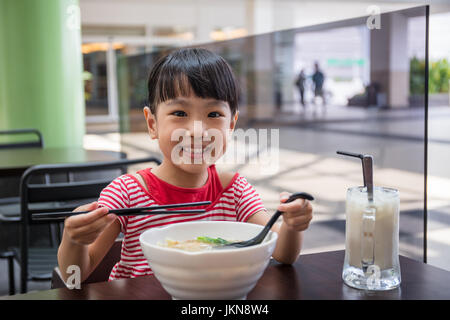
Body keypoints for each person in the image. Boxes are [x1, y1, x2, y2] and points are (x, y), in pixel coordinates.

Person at [57, 48, 313, 283]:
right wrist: (74, 240)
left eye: (214, 115)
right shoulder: (126, 193)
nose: (197, 131)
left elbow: (283, 254)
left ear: (231, 125)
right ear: (152, 124)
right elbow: (75, 275)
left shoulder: (234, 190)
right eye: (179, 114)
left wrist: (292, 225)